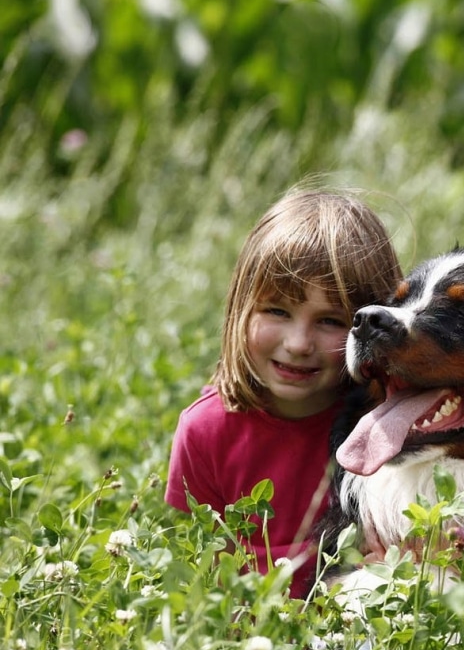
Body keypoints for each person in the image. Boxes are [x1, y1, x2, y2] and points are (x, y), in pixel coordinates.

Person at [165, 187, 402, 598]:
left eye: (330, 320)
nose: (298, 343)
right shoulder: (206, 430)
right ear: (241, 307)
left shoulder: (383, 426)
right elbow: (200, 582)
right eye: (277, 311)